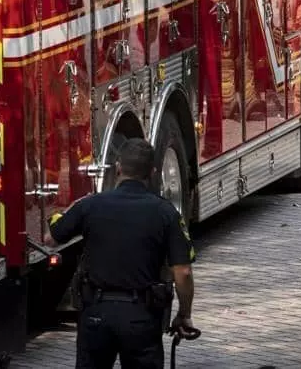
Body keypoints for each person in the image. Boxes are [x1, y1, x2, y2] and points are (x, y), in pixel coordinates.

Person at [47, 139, 197, 369]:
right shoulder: (166, 213)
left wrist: (68, 211)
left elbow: (52, 237)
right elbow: (183, 272)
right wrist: (183, 314)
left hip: (96, 313)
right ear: (153, 172)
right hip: (141, 317)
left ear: (118, 167)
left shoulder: (91, 205)